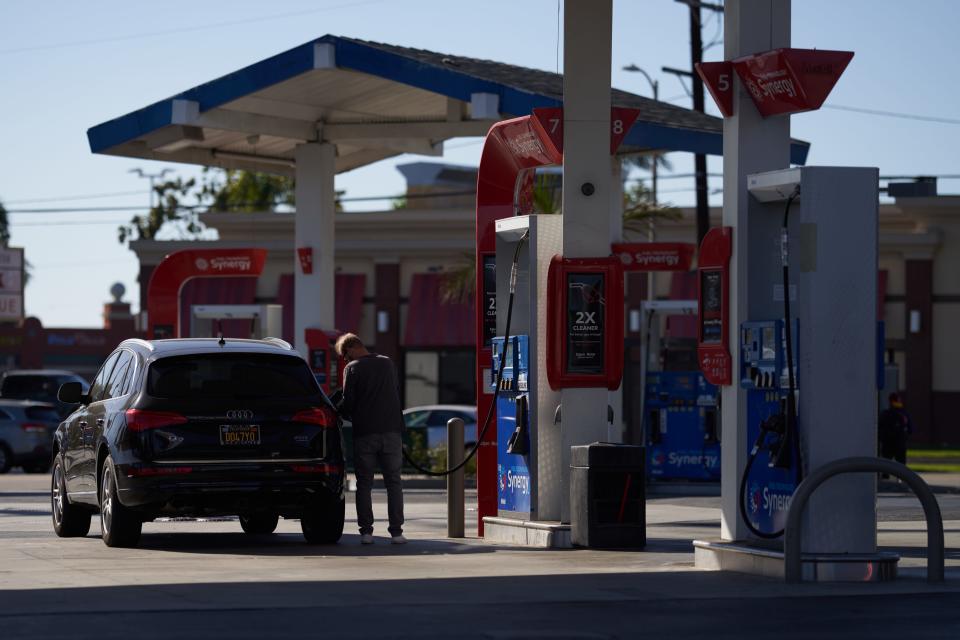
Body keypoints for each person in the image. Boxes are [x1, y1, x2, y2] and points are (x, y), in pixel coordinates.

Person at [334, 333, 406, 545]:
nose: (345, 361)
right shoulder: (388, 363)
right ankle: (397, 532)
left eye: (344, 356)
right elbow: (395, 392)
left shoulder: (352, 369)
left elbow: (348, 403)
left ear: (351, 348)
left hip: (365, 433)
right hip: (392, 431)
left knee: (364, 483)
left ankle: (366, 532)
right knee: (394, 482)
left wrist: (341, 412)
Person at [878, 392, 913, 468]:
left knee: (885, 466)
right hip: (900, 444)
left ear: (890, 401)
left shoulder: (885, 414)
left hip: (887, 444)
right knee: (901, 467)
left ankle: (884, 478)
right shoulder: (904, 414)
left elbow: (879, 429)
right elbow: (911, 429)